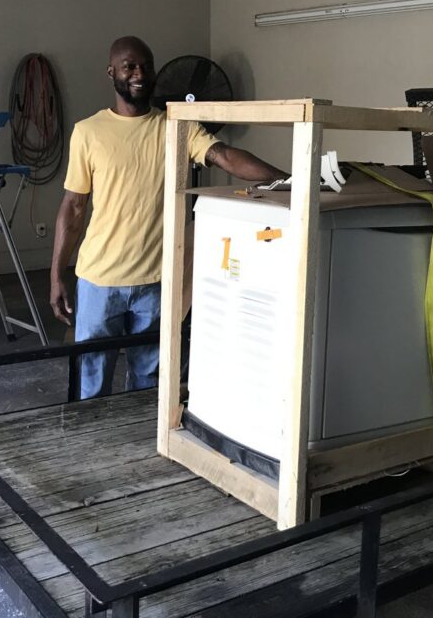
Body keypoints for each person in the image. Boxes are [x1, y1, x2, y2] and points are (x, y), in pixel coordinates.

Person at [50, 36, 286, 400]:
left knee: (150, 385)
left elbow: (224, 156)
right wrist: (56, 275)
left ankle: (144, 451)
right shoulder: (88, 132)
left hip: (156, 284)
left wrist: (288, 178)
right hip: (99, 281)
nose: (139, 73)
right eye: (129, 66)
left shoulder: (177, 128)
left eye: (146, 65)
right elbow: (73, 208)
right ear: (111, 72)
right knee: (90, 385)